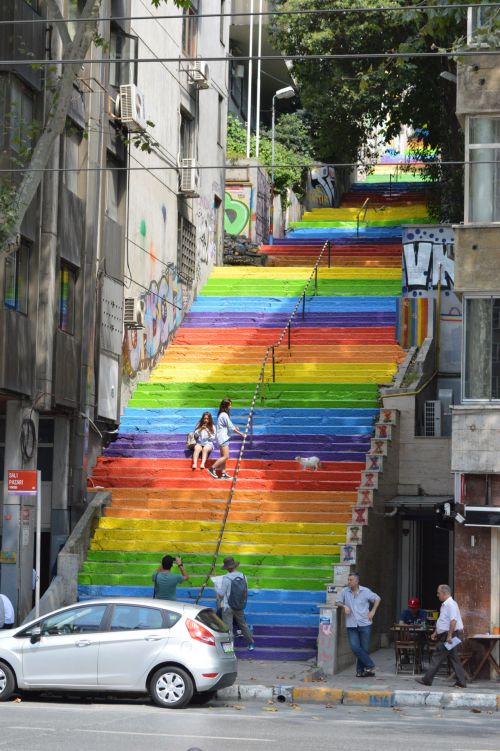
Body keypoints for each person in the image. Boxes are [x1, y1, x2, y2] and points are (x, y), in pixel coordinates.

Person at [416, 584, 468, 688]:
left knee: (437, 656)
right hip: (448, 634)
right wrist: (435, 633)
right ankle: (461, 682)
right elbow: (442, 621)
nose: (437, 595)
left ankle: (427, 679)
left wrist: (449, 636)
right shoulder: (445, 605)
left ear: (444, 594)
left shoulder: (451, 605)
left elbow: (453, 621)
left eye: (438, 593)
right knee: (454, 658)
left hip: (450, 635)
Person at [337, 572, 381, 677]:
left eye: (351, 580)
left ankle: (360, 671)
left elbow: (377, 598)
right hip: (351, 625)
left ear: (357, 581)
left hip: (365, 624)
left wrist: (373, 611)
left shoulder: (365, 591)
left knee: (364, 649)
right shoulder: (344, 591)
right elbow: (336, 602)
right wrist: (344, 606)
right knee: (355, 648)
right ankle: (370, 665)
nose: (348, 582)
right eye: (348, 580)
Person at [215, 557, 255, 651]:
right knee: (243, 625)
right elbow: (246, 590)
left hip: (227, 607)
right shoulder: (244, 576)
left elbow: (221, 594)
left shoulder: (226, 578)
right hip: (239, 605)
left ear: (227, 568)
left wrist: (216, 589)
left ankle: (230, 649)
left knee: (228, 628)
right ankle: (251, 643)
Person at [208, 398, 244, 480]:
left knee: (223, 456)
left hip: (221, 438)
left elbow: (228, 426)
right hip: (223, 438)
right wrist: (241, 433)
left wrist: (235, 428)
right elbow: (230, 426)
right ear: (226, 406)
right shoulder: (224, 414)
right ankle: (212, 468)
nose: (230, 407)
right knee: (226, 456)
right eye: (230, 405)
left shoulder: (221, 414)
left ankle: (223, 474)